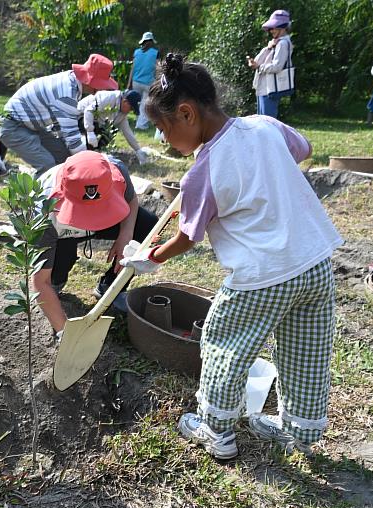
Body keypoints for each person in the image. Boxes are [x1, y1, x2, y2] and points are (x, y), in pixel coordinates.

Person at [119, 54, 342, 460]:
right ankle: (301, 433)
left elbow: (189, 234)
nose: (165, 141)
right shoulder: (265, 125)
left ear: (186, 113)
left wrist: (151, 258)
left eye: (164, 130)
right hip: (315, 264)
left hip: (263, 275)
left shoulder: (204, 168)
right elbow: (303, 149)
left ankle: (216, 428)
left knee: (225, 343)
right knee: (305, 349)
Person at [32, 151, 158, 334]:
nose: (91, 219)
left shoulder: (115, 172)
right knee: (54, 274)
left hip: (106, 216)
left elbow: (131, 199)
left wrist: (126, 235)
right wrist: (66, 335)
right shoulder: (43, 212)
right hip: (60, 231)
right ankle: (56, 286)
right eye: (87, 213)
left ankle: (111, 286)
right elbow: (39, 281)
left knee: (147, 226)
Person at [0, 54, 118, 178]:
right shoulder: (66, 93)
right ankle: (29, 196)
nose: (101, 89)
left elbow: (62, 129)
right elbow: (73, 142)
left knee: (64, 157)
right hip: (13, 126)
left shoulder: (73, 83)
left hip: (31, 125)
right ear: (90, 80)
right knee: (47, 166)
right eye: (100, 84)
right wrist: (92, 163)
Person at [78, 89, 148, 164]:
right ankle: (87, 156)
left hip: (97, 121)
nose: (129, 111)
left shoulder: (122, 114)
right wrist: (90, 132)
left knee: (112, 130)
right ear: (125, 101)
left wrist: (138, 150)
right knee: (92, 134)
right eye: (131, 108)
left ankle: (96, 152)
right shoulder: (108, 98)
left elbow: (127, 132)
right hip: (80, 116)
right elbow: (88, 111)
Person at [247, 10, 295, 119]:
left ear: (282, 27)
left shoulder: (283, 44)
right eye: (271, 28)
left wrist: (259, 67)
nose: (271, 31)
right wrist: (268, 48)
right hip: (264, 87)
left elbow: (277, 66)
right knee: (261, 122)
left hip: (270, 88)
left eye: (274, 27)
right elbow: (258, 60)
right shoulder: (275, 43)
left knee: (267, 123)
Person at [128, 32, 159, 130]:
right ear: (151, 42)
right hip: (148, 83)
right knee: (145, 104)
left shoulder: (136, 52)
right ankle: (141, 125)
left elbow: (132, 68)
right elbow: (158, 68)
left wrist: (129, 83)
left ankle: (135, 121)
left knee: (134, 102)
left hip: (136, 81)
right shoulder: (155, 53)